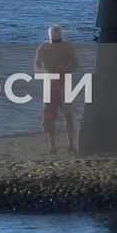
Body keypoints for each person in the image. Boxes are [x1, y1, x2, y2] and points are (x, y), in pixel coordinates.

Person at [34, 24, 79, 155]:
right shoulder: (43, 47)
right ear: (49, 37)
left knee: (68, 114)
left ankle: (70, 145)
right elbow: (36, 67)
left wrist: (67, 68)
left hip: (65, 82)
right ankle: (52, 146)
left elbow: (76, 65)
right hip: (49, 82)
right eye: (54, 40)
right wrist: (47, 72)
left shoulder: (67, 47)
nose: (56, 43)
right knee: (49, 115)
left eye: (58, 40)